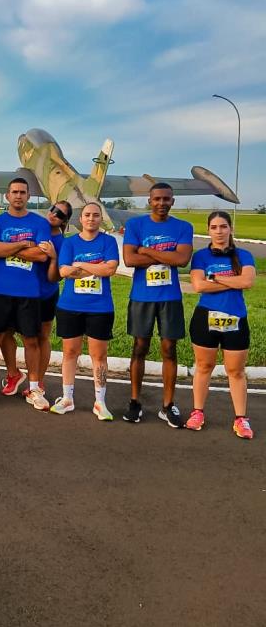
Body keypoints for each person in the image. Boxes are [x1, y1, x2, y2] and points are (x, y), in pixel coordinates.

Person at [122, 183, 193, 427]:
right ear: (149, 201)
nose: (161, 203)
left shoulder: (183, 227)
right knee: (139, 347)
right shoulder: (135, 225)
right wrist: (165, 255)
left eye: (166, 199)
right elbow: (130, 259)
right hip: (142, 296)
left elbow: (182, 259)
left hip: (169, 297)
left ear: (172, 201)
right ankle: (134, 402)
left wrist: (146, 249)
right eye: (157, 199)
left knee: (169, 349)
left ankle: (167, 405)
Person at [0, 178, 53, 410]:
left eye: (22, 192)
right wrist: (24, 245)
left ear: (28, 196)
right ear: (7, 196)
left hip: (29, 292)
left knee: (31, 340)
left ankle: (33, 388)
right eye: (14, 192)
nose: (18, 196)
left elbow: (41, 256)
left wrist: (8, 247)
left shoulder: (40, 223)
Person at [186, 211, 256, 439]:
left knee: (235, 371)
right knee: (203, 367)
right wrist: (232, 282)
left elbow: (247, 281)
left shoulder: (244, 255)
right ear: (209, 231)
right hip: (205, 318)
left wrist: (215, 279)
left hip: (236, 318)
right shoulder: (201, 256)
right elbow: (198, 286)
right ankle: (198, 412)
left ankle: (241, 419)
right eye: (214, 227)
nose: (219, 231)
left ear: (230, 229)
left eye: (223, 226)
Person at [51, 202, 119, 420]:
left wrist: (80, 265)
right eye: (87, 215)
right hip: (70, 306)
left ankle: (100, 402)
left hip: (99, 308)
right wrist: (95, 266)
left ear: (101, 219)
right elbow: (64, 271)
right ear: (80, 219)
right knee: (70, 352)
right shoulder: (70, 243)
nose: (91, 219)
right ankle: (67, 398)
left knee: (98, 355)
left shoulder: (108, 241)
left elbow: (110, 269)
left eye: (96, 215)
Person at [0, 201, 73, 398]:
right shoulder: (35, 226)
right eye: (52, 209)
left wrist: (53, 257)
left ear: (65, 221)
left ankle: (38, 381)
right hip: (20, 291)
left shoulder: (62, 243)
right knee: (5, 332)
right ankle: (13, 374)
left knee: (40, 338)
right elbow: (7, 227)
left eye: (60, 214)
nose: (53, 214)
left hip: (45, 294)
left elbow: (55, 277)